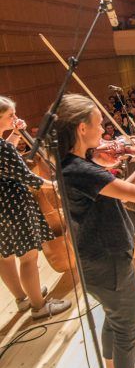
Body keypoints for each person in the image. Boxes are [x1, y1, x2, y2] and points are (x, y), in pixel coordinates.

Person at [55, 94, 135, 368]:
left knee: (114, 319)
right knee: (128, 327)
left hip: (97, 261)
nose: (104, 131)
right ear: (81, 128)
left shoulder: (74, 165)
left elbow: (124, 192)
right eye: (98, 124)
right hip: (109, 261)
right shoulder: (81, 170)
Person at [0, 96, 71, 319]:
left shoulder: (3, 146)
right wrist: (56, 184)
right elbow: (29, 178)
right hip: (14, 207)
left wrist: (15, 134)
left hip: (1, 208)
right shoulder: (3, 149)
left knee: (5, 257)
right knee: (28, 257)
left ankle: (23, 298)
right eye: (10, 115)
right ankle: (39, 306)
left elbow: (5, 159)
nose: (15, 117)